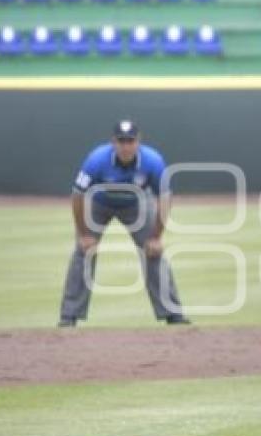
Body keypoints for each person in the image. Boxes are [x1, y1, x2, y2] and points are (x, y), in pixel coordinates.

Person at [58, 120, 190, 327]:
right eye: (121, 141)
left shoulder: (153, 161)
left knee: (153, 252)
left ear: (139, 142)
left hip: (136, 203)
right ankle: (69, 316)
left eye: (130, 141)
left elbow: (165, 198)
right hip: (98, 202)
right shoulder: (97, 159)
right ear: (113, 142)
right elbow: (77, 195)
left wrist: (156, 237)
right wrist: (83, 234)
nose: (126, 146)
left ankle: (173, 313)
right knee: (83, 252)